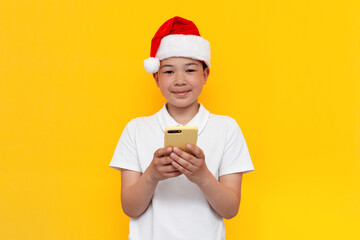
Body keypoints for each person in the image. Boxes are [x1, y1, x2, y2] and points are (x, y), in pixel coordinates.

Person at [109, 16, 255, 240]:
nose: (179, 80)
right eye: (168, 72)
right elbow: (130, 208)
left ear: (205, 75)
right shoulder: (136, 129)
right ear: (156, 78)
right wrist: (152, 175)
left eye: (190, 70)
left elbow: (230, 209)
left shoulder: (226, 128)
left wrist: (202, 176)